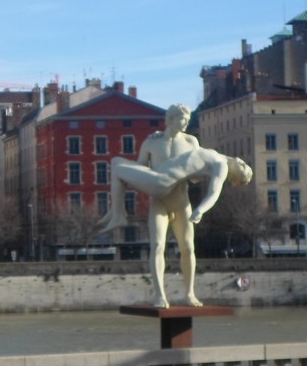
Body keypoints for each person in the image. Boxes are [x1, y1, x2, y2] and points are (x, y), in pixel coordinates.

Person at [97, 103, 253, 308]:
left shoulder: (191, 141)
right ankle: (160, 295)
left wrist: (199, 208)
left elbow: (196, 174)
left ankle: (189, 294)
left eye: (188, 120)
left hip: (180, 200)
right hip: (159, 200)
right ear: (170, 119)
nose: (186, 124)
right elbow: (142, 168)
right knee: (157, 246)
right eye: (183, 119)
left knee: (188, 247)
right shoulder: (151, 142)